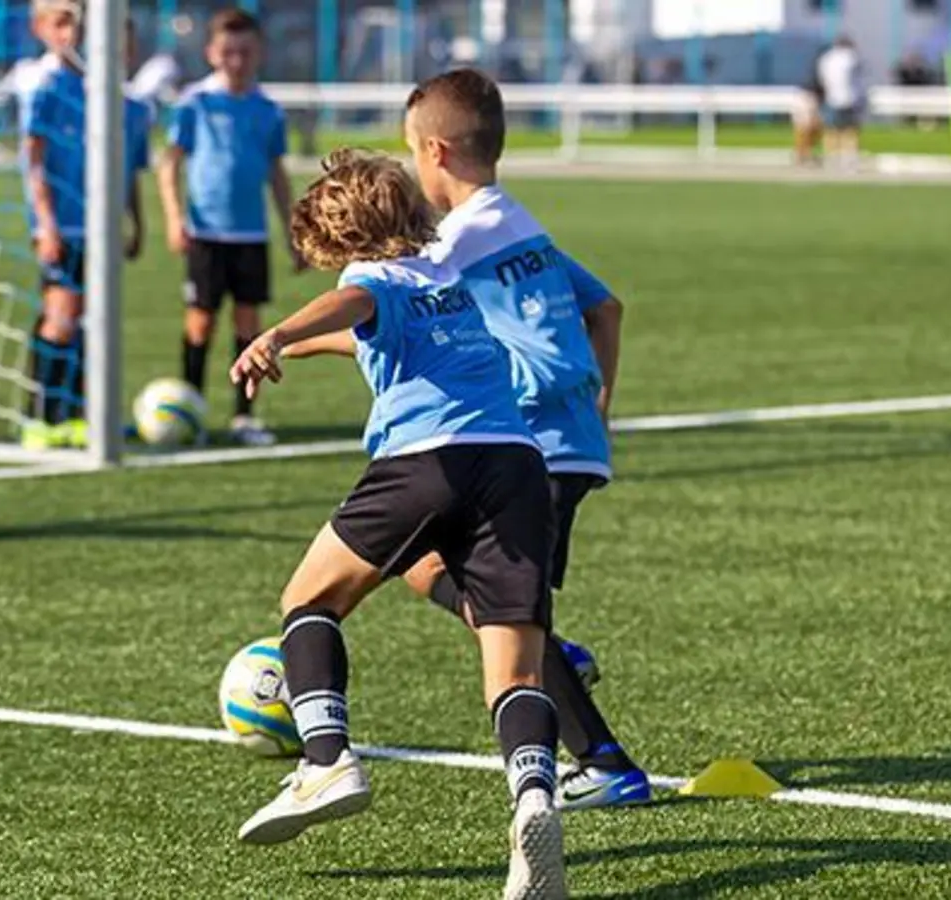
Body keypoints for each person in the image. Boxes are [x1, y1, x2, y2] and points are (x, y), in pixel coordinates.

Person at [284, 69, 647, 812]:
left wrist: (296, 332)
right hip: (566, 438)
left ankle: (604, 759)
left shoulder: (452, 241)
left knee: (487, 609)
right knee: (426, 565)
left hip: (512, 437)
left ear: (437, 151)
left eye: (412, 153)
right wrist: (600, 409)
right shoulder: (519, 224)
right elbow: (604, 307)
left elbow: (408, 316)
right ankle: (546, 661)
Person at [230, 150, 567, 900]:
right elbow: (366, 331)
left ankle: (326, 762)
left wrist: (277, 334)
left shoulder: (369, 279)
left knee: (308, 601)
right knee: (511, 673)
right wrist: (299, 349)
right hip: (515, 467)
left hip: (426, 463)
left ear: (344, 239)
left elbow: (356, 304)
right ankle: (535, 802)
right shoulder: (447, 279)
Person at [158, 7, 304, 448]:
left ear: (258, 53)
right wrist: (174, 216)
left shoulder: (267, 110)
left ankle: (243, 417)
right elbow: (170, 164)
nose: (236, 61)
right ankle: (193, 411)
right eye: (227, 52)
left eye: (244, 52)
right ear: (211, 53)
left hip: (250, 235)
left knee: (248, 323)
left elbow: (276, 175)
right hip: (205, 233)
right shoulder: (196, 103)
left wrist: (292, 231)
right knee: (200, 323)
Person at [20, 0, 148, 449]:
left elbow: (127, 170)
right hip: (64, 226)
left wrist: (135, 221)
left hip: (101, 230)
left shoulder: (125, 104)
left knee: (91, 321)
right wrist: (46, 225)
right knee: (60, 318)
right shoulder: (48, 88)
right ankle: (39, 417)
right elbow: (33, 161)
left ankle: (81, 414)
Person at [817, 35, 866, 168]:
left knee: (831, 130)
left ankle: (832, 158)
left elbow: (823, 79)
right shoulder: (851, 57)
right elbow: (859, 78)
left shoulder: (826, 58)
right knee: (850, 130)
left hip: (832, 97)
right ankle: (850, 158)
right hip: (850, 98)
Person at [793, 53, 825, 166]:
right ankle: (802, 155)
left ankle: (804, 154)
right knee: (807, 127)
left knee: (810, 128)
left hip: (808, 97)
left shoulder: (817, 67)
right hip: (808, 97)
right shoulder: (820, 69)